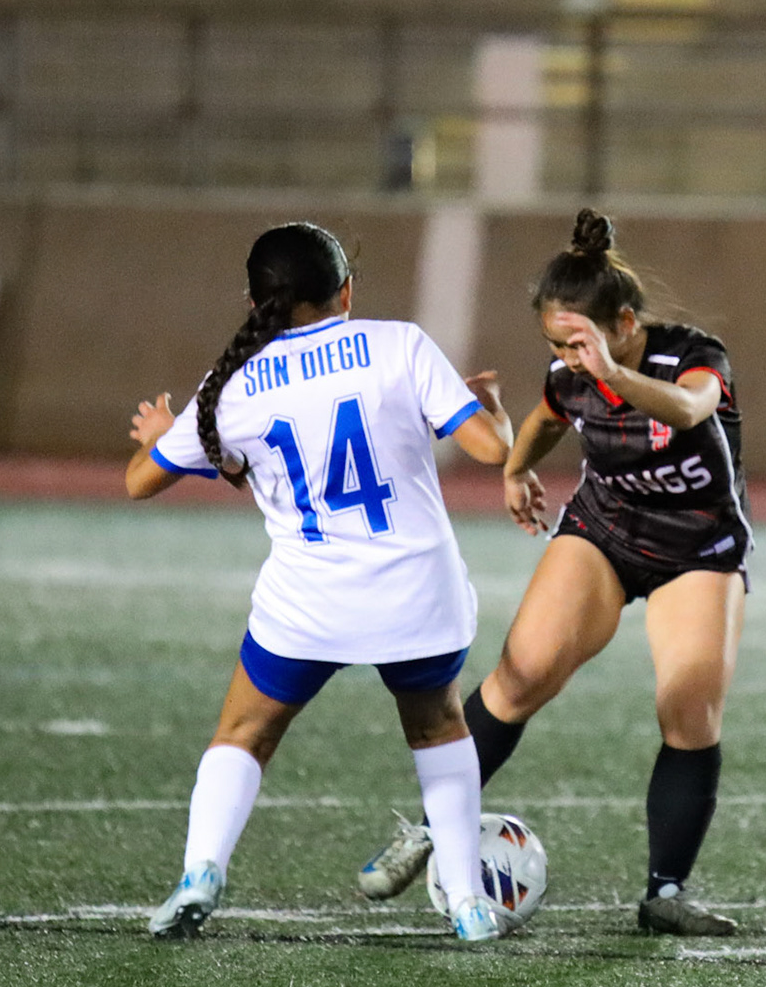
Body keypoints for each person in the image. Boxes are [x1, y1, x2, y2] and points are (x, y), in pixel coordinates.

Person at [357, 210, 750, 935]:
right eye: (557, 345)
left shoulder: (692, 356)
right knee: (521, 674)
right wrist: (515, 470)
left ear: (624, 323)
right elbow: (545, 418)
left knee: (689, 706)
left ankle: (665, 892)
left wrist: (614, 373)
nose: (569, 357)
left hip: (697, 549)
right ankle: (429, 829)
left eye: (579, 342)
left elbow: (690, 410)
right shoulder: (569, 376)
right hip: (606, 531)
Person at [125, 221, 516, 940]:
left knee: (243, 733)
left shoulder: (230, 385)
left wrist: (164, 436)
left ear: (254, 302)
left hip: (309, 603)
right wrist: (494, 410)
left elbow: (139, 481)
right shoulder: (399, 345)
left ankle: (200, 873)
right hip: (416, 593)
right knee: (438, 729)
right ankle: (467, 903)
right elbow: (492, 451)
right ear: (346, 291)